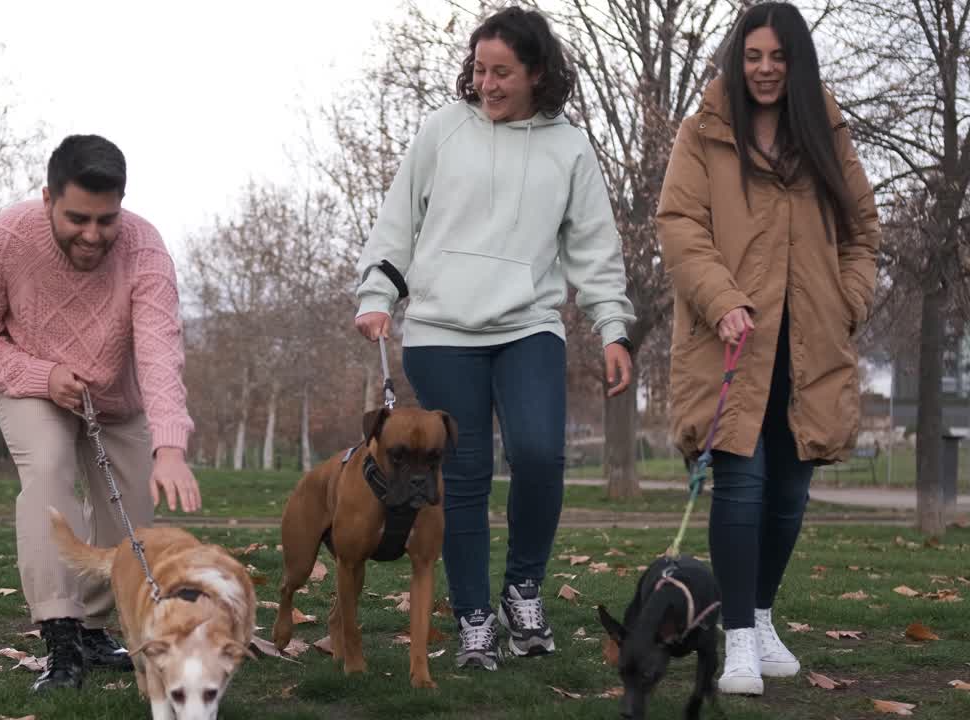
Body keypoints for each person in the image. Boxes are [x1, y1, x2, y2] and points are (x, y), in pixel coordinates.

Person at [354, 6, 636, 672]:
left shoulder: (569, 146)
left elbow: (595, 246)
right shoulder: (442, 131)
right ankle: (475, 617)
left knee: (541, 452)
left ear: (538, 72)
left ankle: (523, 590)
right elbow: (398, 221)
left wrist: (612, 326)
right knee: (467, 474)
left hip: (528, 323)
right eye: (479, 70)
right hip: (442, 328)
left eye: (502, 71)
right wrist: (376, 296)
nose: (487, 83)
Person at [657, 2, 880, 696]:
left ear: (796, 63)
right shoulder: (703, 133)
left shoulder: (825, 131)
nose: (764, 69)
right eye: (753, 56)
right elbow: (680, 226)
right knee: (743, 487)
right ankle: (740, 643)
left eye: (778, 57)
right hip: (732, 340)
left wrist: (847, 302)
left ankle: (759, 613)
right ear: (737, 58)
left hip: (810, 344)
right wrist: (721, 299)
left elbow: (863, 233)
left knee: (789, 494)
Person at [0, 134, 201, 693]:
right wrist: (44, 376)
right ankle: (60, 636)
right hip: (32, 384)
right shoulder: (5, 238)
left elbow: (161, 351)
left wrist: (169, 449)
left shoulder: (146, 249)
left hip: (115, 397)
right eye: (78, 219)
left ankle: (91, 627)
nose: (93, 235)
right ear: (48, 199)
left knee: (132, 514)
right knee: (48, 469)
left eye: (106, 219)